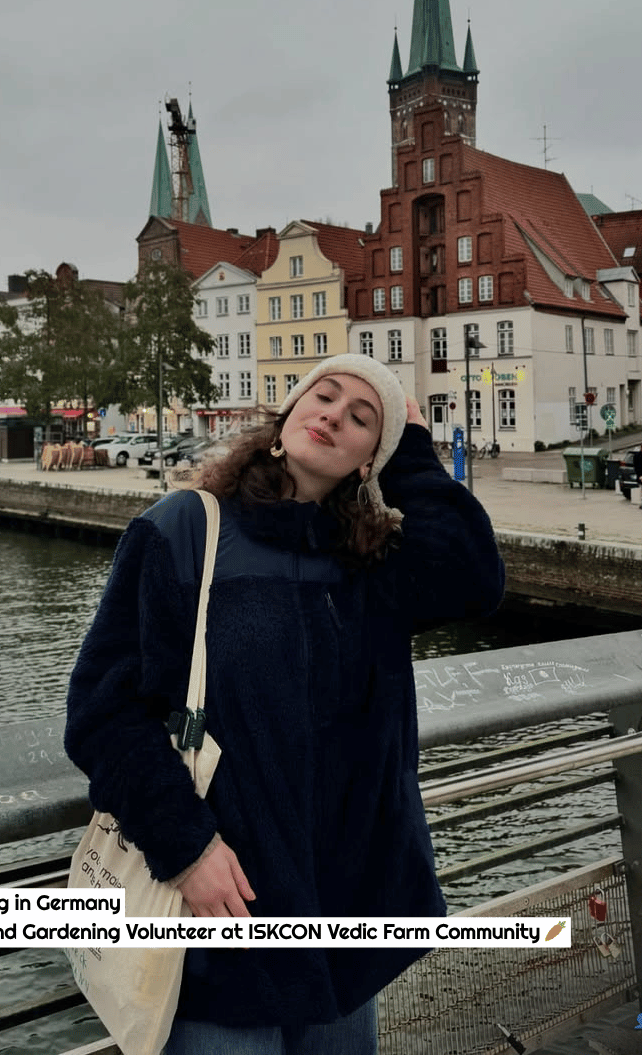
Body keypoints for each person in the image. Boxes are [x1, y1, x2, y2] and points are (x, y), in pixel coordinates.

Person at [65, 354, 505, 1054]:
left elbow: (474, 579)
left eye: (363, 418)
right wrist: (186, 848)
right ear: (287, 417)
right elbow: (104, 713)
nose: (333, 415)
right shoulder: (187, 530)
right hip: (223, 914)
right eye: (323, 396)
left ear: (371, 459)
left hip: (344, 920)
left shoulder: (369, 562)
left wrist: (414, 454)